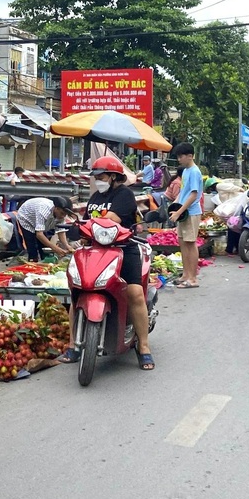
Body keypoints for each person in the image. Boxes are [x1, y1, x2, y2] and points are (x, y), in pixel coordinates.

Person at [60, 157, 153, 370]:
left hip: (123, 249)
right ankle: (73, 345)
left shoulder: (125, 195)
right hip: (95, 250)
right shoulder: (95, 197)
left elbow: (108, 220)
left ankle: (144, 347)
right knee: (77, 292)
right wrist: (79, 231)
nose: (97, 180)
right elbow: (85, 223)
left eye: (101, 176)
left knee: (135, 293)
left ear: (113, 176)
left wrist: (87, 226)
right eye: (95, 176)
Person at [169, 142, 204, 289]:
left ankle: (193, 278)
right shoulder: (186, 171)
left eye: (181, 156)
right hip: (183, 212)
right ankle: (185, 274)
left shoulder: (195, 171)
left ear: (190, 156)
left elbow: (193, 194)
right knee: (183, 243)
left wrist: (179, 211)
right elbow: (183, 193)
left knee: (190, 244)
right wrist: (175, 207)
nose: (179, 159)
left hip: (191, 212)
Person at [14, 196, 75, 261]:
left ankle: (44, 262)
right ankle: (33, 261)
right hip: (26, 218)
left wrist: (67, 246)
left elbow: (61, 231)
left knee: (44, 248)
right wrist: (55, 249)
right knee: (32, 245)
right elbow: (39, 234)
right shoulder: (44, 211)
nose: (63, 216)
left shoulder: (60, 215)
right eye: (62, 213)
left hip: (39, 220)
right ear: (56, 208)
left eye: (65, 214)